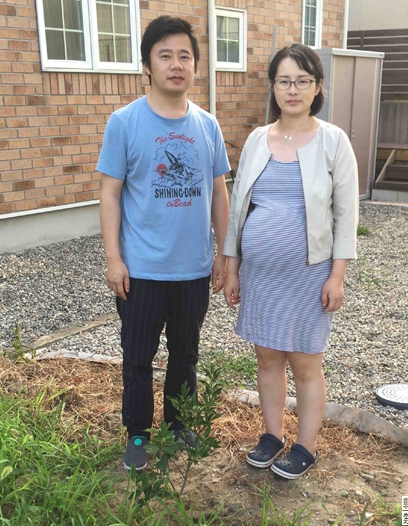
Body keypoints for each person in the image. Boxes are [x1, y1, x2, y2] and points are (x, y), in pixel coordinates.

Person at [97, 16, 230, 471]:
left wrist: (223, 254)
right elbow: (110, 193)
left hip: (192, 269)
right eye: (165, 55)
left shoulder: (208, 125)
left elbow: (218, 192)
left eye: (185, 56)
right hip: (142, 270)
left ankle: (178, 426)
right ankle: (137, 435)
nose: (177, 64)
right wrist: (114, 258)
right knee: (136, 356)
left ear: (195, 66)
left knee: (185, 354)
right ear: (147, 66)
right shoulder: (124, 122)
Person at [223, 43, 358, 480]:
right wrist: (231, 266)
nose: (292, 89)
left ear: (318, 87)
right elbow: (239, 206)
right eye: (284, 80)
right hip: (261, 274)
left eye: (302, 80)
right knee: (266, 359)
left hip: (309, 274)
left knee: (305, 362)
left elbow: (345, 214)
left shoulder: (333, 140)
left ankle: (307, 445)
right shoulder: (259, 139)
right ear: (273, 87)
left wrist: (337, 275)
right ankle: (272, 435)